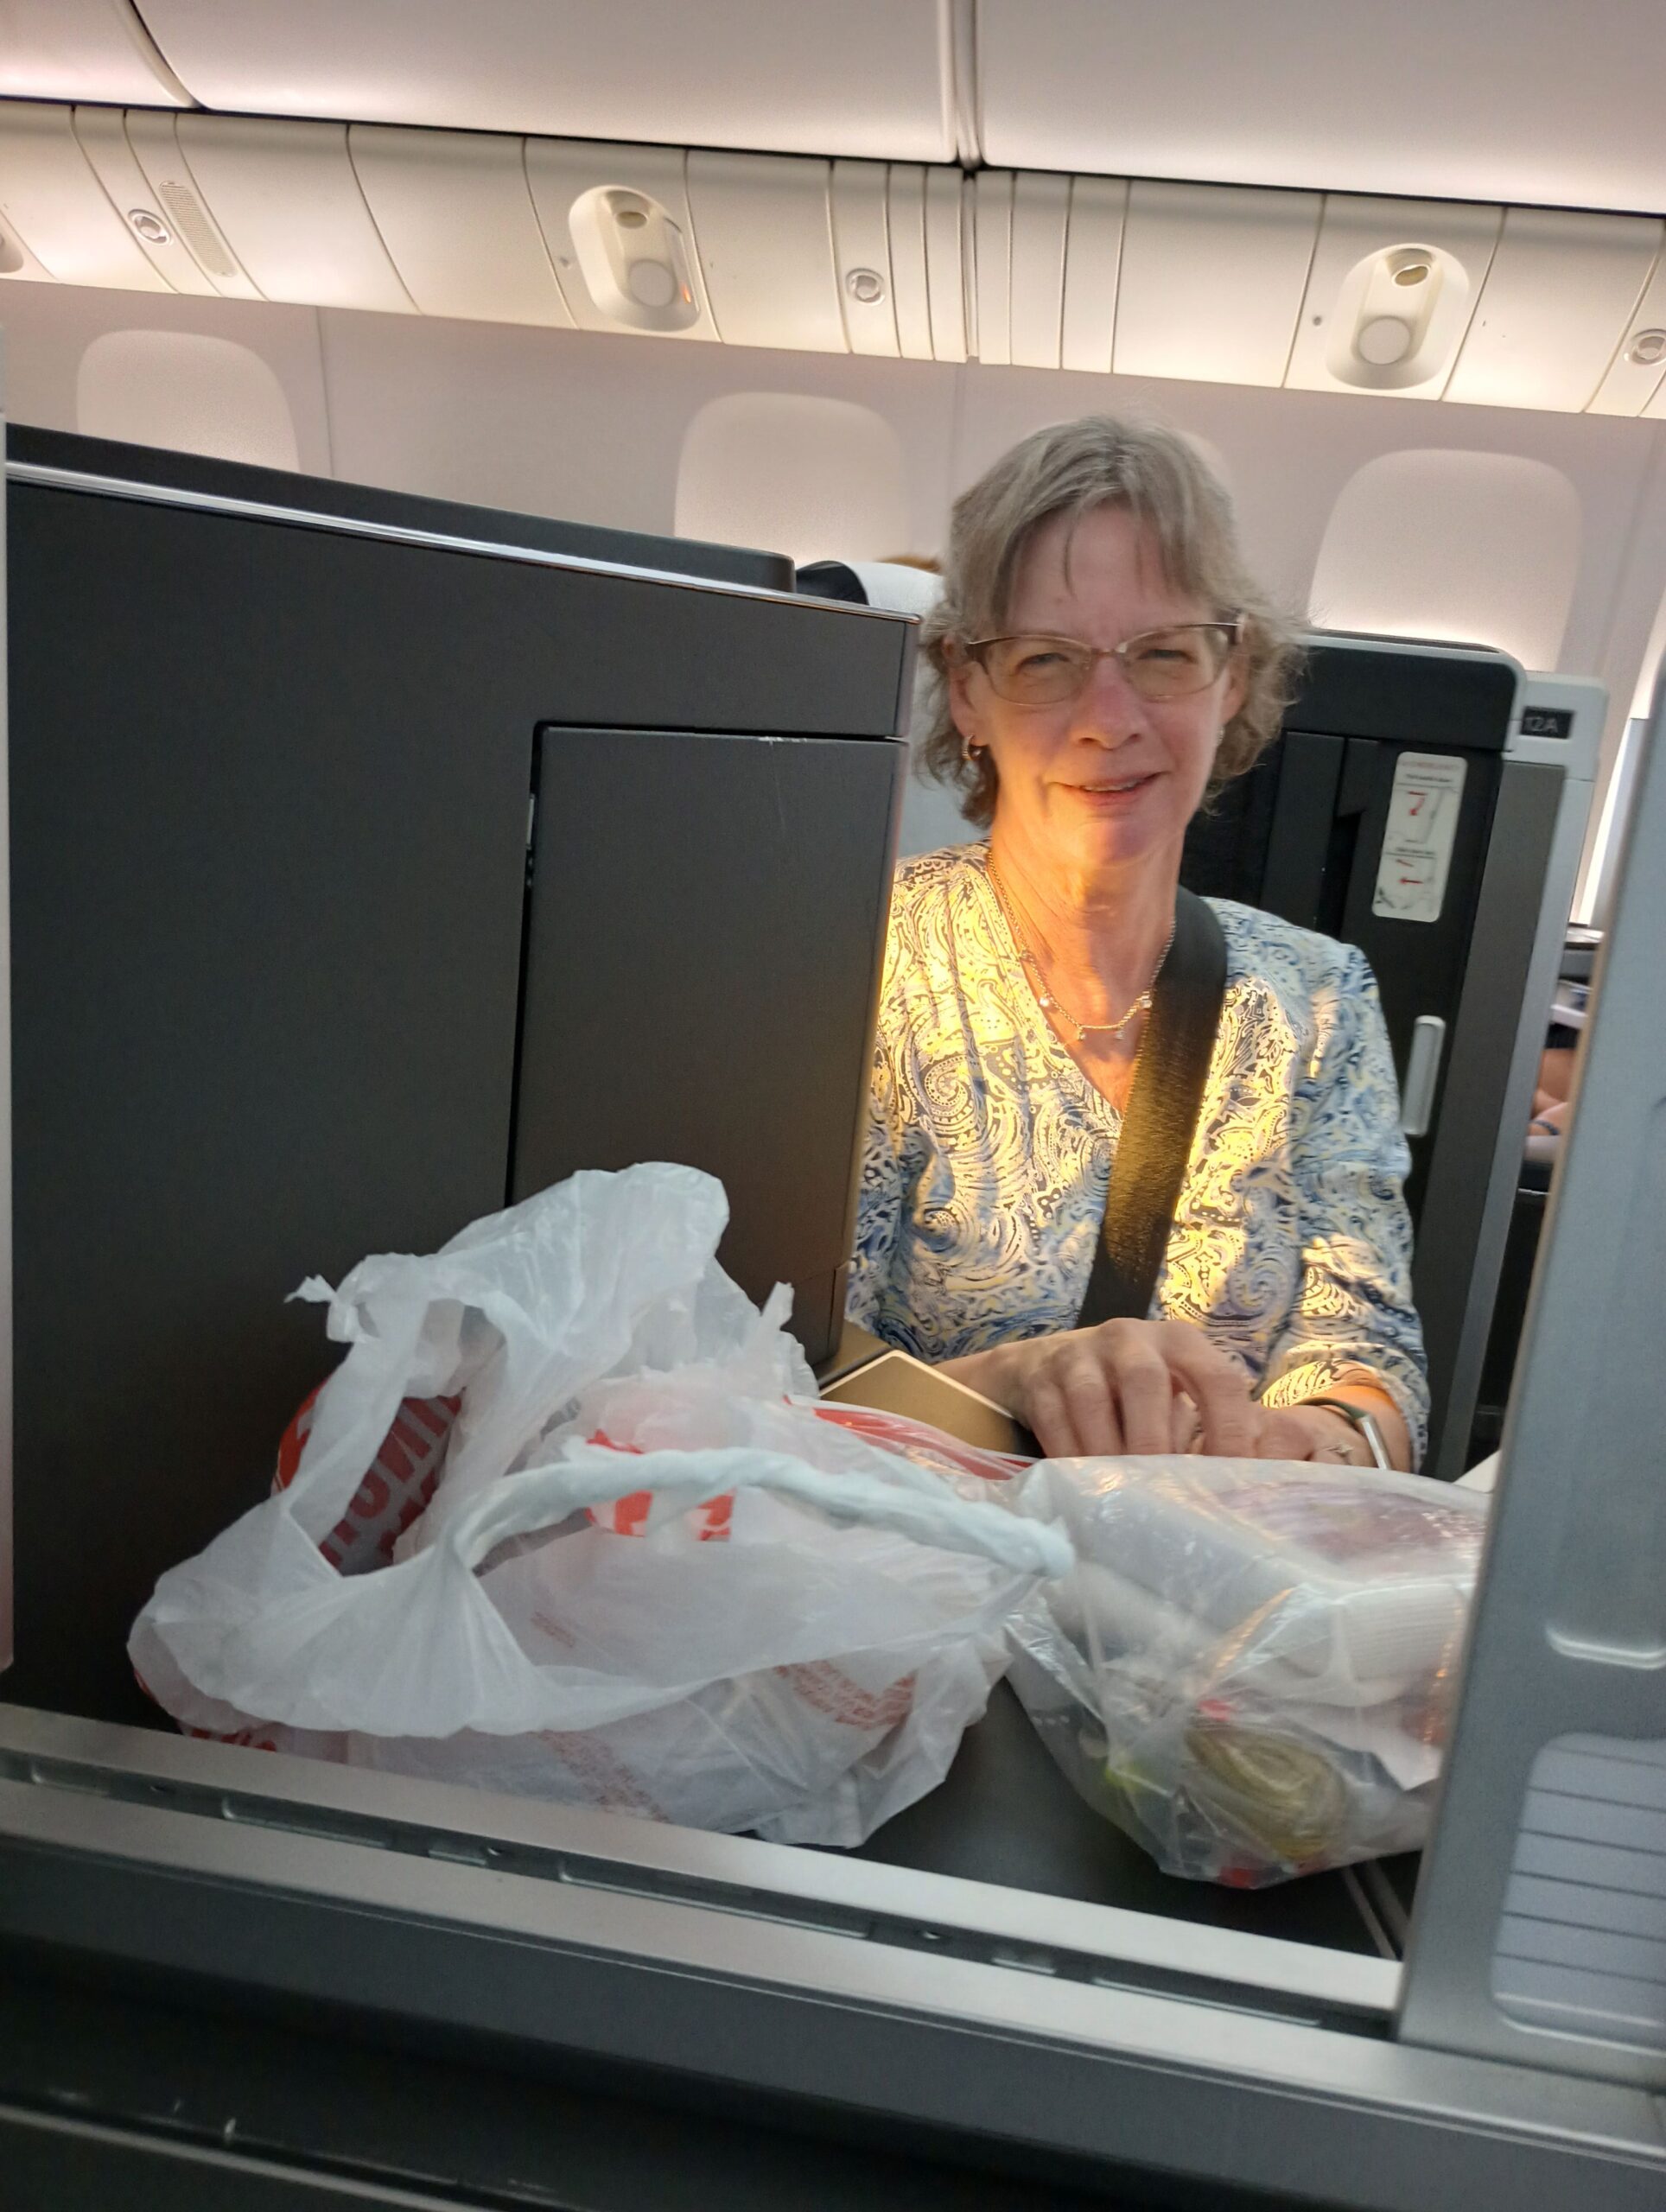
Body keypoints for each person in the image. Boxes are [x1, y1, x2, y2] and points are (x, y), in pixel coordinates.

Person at [847, 416, 1428, 1471]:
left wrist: (1306, 1444)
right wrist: (1010, 1383)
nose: (1107, 718)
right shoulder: (858, 964)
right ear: (967, 690)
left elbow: (1370, 1349)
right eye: (1045, 660)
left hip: (1220, 1558)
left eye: (1161, 655)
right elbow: (779, 1371)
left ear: (1231, 676)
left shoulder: (1319, 997)